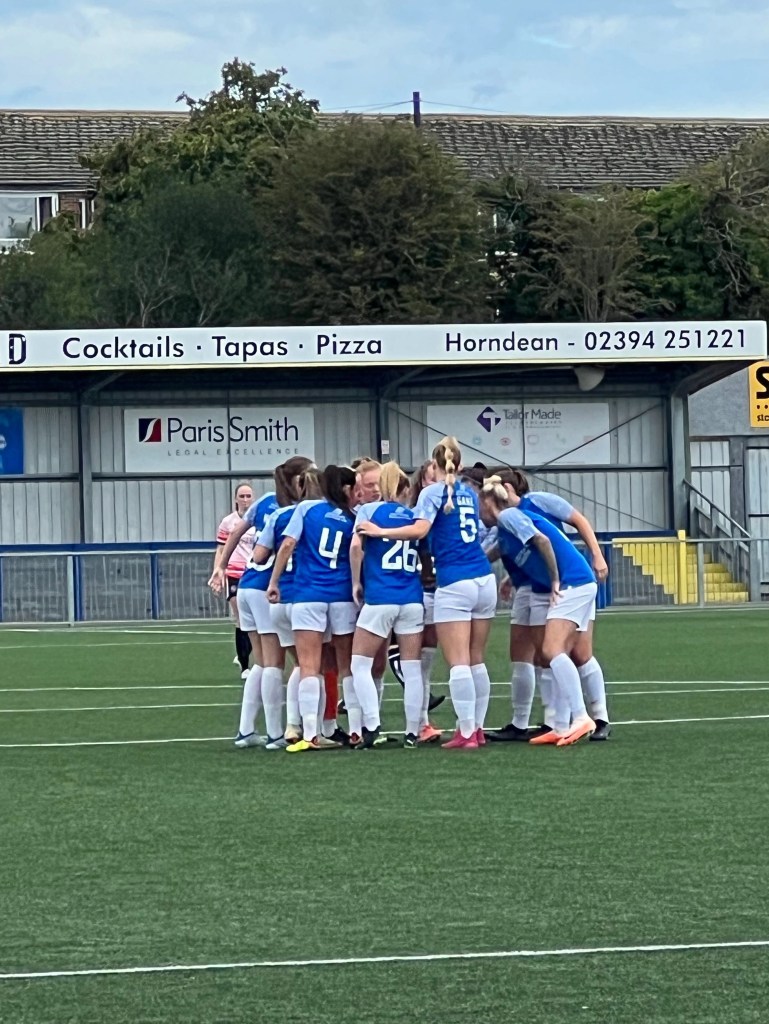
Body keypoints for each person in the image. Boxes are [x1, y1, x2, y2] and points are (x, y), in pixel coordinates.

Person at [357, 436, 496, 750]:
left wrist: (381, 532)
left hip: (455, 581)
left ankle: (466, 732)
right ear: (460, 463)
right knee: (476, 659)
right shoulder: (470, 493)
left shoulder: (433, 492)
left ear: (435, 464)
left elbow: (420, 530)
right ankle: (477, 728)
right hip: (483, 577)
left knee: (459, 661)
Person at [479, 476, 606, 746]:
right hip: (577, 582)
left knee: (553, 650)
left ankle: (582, 717)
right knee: (555, 652)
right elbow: (501, 551)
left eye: (480, 505)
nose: (479, 513)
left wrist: (556, 579)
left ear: (489, 503)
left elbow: (542, 541)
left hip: (574, 582)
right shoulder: (505, 527)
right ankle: (560, 726)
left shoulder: (510, 515)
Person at [209, 461, 308, 747]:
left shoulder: (264, 502)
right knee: (276, 663)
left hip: (247, 584)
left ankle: (246, 730)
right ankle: (276, 733)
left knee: (262, 663)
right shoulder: (298, 509)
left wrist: (222, 566)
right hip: (266, 588)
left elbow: (236, 532)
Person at [267, 465, 358, 753]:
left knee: (308, 665)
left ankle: (310, 734)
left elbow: (287, 544)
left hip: (309, 595)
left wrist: (274, 581)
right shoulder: (352, 516)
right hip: (342, 595)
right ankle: (356, 730)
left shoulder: (306, 509)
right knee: (346, 666)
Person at [350, 461, 434, 748]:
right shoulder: (414, 517)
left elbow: (356, 546)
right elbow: (425, 557)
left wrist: (356, 582)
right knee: (412, 668)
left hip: (380, 598)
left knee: (359, 664)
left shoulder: (370, 511)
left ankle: (372, 724)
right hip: (411, 598)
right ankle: (412, 732)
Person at [213, 482, 256, 679]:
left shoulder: (259, 520)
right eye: (242, 496)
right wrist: (218, 571)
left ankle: (246, 653)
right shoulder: (228, 522)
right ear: (236, 499)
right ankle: (245, 666)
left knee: (254, 619)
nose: (245, 500)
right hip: (235, 572)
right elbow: (221, 548)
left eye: (248, 496)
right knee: (240, 617)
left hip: (254, 573)